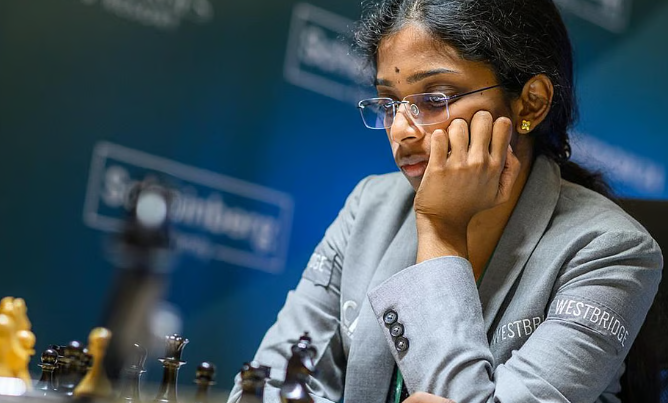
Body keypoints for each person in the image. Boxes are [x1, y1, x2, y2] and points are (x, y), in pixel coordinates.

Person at [227, 0, 664, 402]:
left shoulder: (612, 250)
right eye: (389, 103)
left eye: (435, 99)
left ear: (530, 104)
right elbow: (267, 386)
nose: (401, 130)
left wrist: (440, 230)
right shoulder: (370, 206)